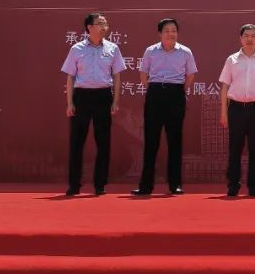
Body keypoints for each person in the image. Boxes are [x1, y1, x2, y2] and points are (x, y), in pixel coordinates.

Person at [60, 12, 126, 196]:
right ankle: (74, 185)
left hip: (103, 96)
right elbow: (70, 77)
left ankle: (100, 184)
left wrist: (115, 101)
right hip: (82, 96)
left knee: (103, 142)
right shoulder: (77, 49)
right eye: (100, 23)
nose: (104, 27)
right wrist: (70, 103)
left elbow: (117, 76)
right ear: (89, 27)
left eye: (105, 23)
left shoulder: (113, 48)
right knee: (77, 142)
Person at [132, 17, 197, 197]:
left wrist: (178, 91)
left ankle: (175, 185)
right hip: (155, 94)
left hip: (176, 94)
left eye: (174, 31)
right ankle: (146, 186)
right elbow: (143, 74)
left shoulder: (185, 52)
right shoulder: (151, 51)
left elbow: (190, 75)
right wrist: (154, 90)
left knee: (175, 140)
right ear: (160, 33)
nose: (171, 34)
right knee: (151, 141)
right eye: (167, 31)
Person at [218, 23, 255, 198]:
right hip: (236, 108)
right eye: (246, 35)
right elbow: (225, 86)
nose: (249, 39)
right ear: (240, 38)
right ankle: (233, 185)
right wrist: (224, 112)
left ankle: (254, 186)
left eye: (253, 36)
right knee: (235, 149)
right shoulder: (232, 60)